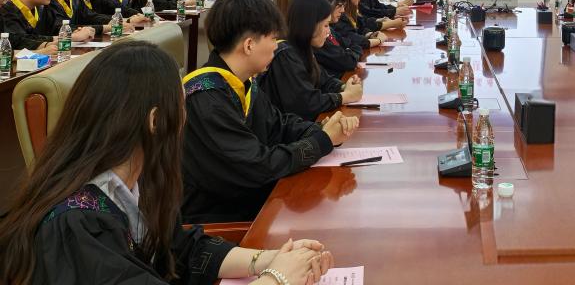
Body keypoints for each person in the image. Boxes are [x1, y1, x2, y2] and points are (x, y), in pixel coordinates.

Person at [0, 41, 335, 285]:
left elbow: (180, 250)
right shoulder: (77, 221)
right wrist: (278, 278)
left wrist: (267, 259)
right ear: (156, 120)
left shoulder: (138, 181)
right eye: (181, 105)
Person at [182, 0, 360, 223]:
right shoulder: (205, 97)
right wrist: (322, 141)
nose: (276, 46)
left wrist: (322, 129)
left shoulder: (242, 82)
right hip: (218, 220)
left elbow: (278, 125)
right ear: (249, 45)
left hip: (252, 203)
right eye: (273, 39)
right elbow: (256, 166)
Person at [262, 0, 363, 121]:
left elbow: (324, 80)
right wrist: (344, 97)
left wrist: (343, 86)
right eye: (326, 25)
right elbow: (306, 103)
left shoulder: (303, 47)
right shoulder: (285, 54)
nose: (328, 32)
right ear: (310, 25)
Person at [311, 0, 364, 76]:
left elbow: (354, 44)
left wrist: (349, 52)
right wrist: (349, 53)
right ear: (326, 2)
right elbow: (349, 61)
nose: (343, 10)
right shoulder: (317, 35)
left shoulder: (329, 29)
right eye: (339, 5)